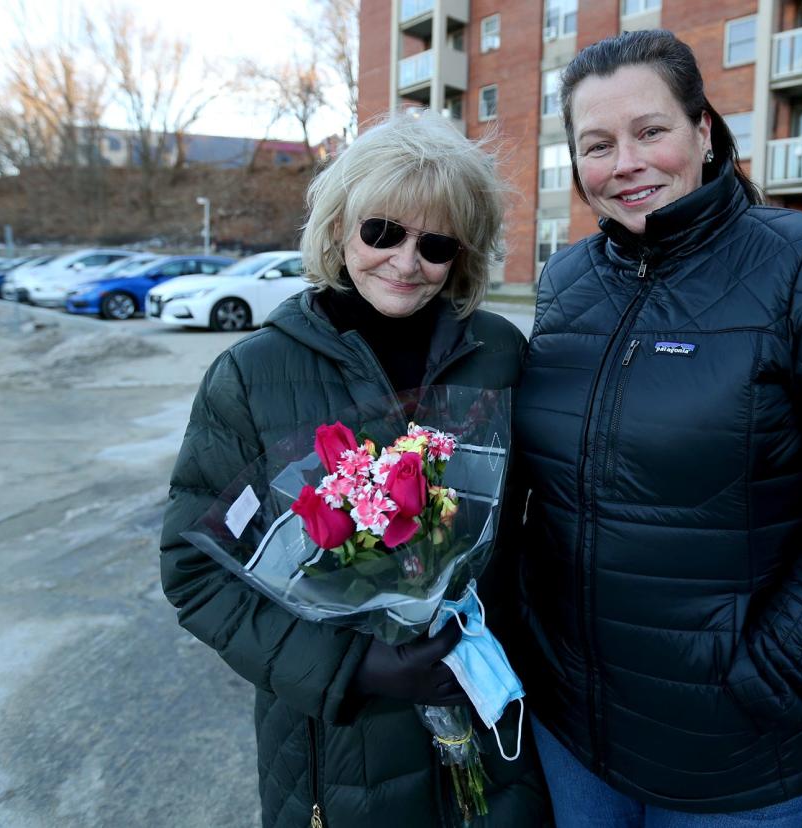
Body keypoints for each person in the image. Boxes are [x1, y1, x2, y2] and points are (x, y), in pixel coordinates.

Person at [508, 30, 802, 827]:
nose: (626, 163)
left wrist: (780, 668)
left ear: (703, 131)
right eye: (597, 144)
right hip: (574, 727)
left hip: (736, 753)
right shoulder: (568, 280)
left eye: (651, 131)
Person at [160, 110, 551, 827]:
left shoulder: (499, 351)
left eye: (435, 244)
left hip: (487, 721)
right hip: (336, 758)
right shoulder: (252, 373)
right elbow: (195, 570)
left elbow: (533, 527)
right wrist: (355, 668)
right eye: (382, 232)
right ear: (340, 227)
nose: (406, 262)